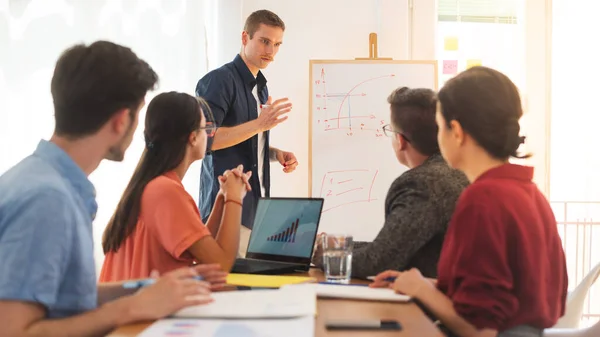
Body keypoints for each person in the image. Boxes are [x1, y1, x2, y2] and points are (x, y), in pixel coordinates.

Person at [0, 41, 225, 337]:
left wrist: (148, 289)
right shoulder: (47, 199)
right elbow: (13, 331)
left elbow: (64, 300)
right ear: (121, 120)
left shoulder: (45, 180)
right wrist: (131, 308)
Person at [372, 67, 568, 337]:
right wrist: (424, 283)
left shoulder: (483, 200)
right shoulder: (530, 193)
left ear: (456, 131)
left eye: (440, 127)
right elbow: (509, 297)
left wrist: (421, 290)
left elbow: (481, 330)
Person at [311, 87, 469, 279]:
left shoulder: (419, 184)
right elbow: (392, 245)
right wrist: (337, 246)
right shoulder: (460, 174)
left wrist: (323, 257)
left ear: (400, 140)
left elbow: (379, 260)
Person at [100, 92, 252, 280]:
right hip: (150, 308)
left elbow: (204, 252)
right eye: (207, 128)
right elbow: (220, 266)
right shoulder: (167, 192)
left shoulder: (154, 185)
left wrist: (222, 198)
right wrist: (234, 198)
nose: (209, 135)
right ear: (193, 138)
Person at [195, 9, 297, 256]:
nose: (270, 51)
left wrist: (275, 153)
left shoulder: (261, 87)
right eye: (264, 41)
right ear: (245, 38)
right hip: (225, 209)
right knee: (230, 289)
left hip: (256, 208)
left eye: (277, 44)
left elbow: (248, 141)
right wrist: (260, 125)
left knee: (252, 287)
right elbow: (205, 141)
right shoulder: (218, 81)